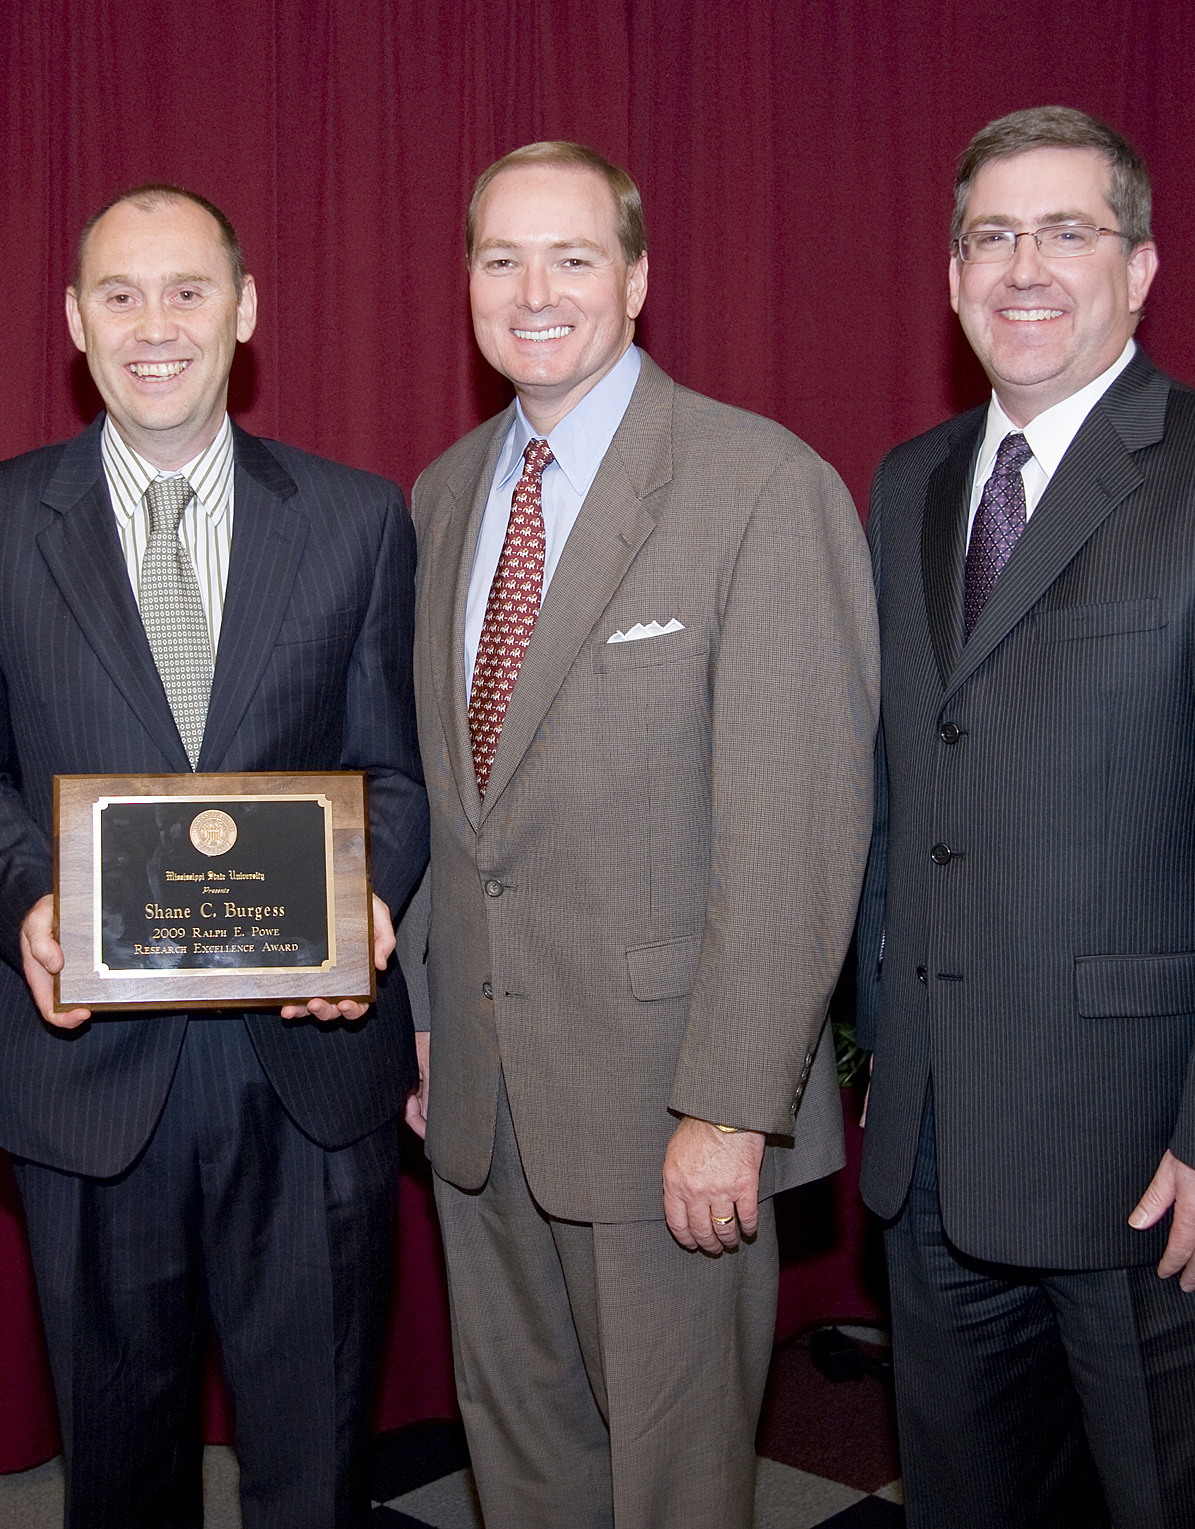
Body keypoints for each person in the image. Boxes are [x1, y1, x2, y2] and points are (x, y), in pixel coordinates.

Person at [854, 106, 1195, 1527]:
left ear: (1141, 267)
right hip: (938, 1154)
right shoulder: (908, 486)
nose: (1024, 265)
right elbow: (911, 795)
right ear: (953, 271)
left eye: (1067, 230)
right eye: (990, 235)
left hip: (1153, 1164)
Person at [0, 184, 425, 1528]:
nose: (155, 325)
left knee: (314, 1471)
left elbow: (397, 771)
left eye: (188, 290)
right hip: (93, 1082)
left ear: (245, 311)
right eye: (119, 295)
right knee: (121, 1477)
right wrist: (25, 895)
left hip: (308, 1072)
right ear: (74, 321)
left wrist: (364, 895)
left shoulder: (359, 520)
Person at [406, 141, 878, 1528]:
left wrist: (731, 1105)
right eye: (502, 258)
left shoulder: (758, 487)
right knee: (524, 1461)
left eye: (572, 257)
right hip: (483, 1102)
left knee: (674, 1490)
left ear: (638, 279)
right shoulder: (443, 498)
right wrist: (432, 1019)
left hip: (669, 1108)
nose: (534, 291)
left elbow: (796, 829)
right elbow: (450, 800)